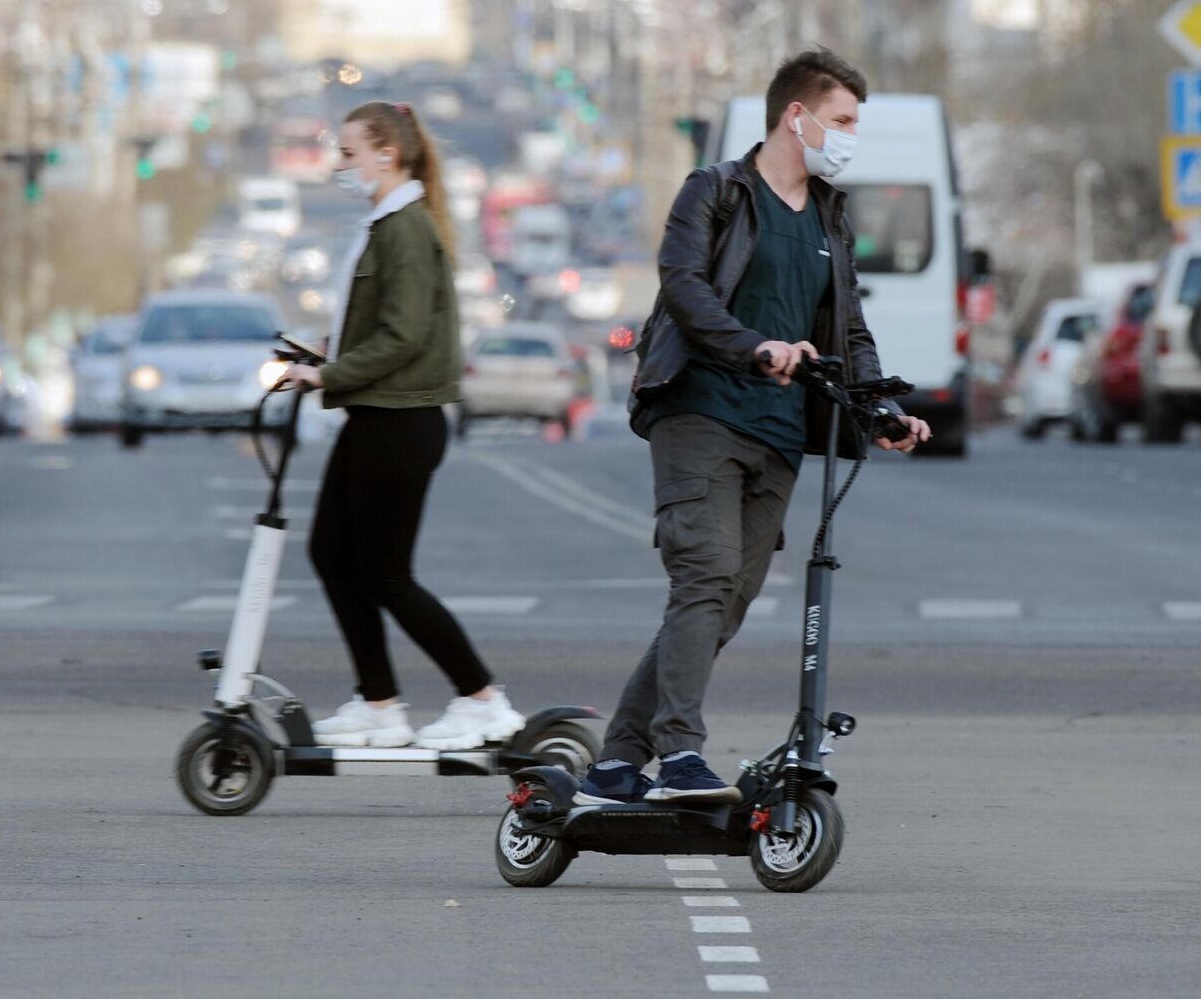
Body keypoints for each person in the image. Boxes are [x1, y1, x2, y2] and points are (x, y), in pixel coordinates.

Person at [577, 49, 930, 806]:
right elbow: (683, 285)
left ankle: (615, 763)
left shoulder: (832, 215)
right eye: (840, 121)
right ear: (794, 116)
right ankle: (678, 757)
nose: (848, 138)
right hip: (700, 410)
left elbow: (849, 329)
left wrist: (882, 412)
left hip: (777, 431)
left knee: (724, 601)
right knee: (702, 577)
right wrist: (752, 345)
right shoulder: (716, 191)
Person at [278, 100, 525, 750]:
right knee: (331, 554)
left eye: (349, 151)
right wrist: (317, 358)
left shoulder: (406, 229)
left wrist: (326, 376)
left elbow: (404, 335)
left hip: (401, 421)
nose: (341, 163)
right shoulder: (384, 224)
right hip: (376, 416)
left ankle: (482, 698)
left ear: (387, 153)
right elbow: (377, 326)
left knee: (386, 574)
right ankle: (379, 703)